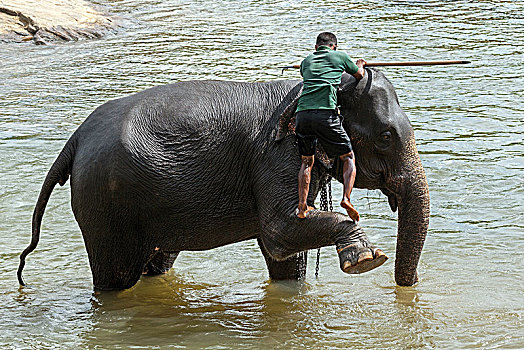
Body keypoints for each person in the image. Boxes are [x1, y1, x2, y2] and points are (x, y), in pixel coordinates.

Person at [295, 32, 366, 221]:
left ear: (316, 47)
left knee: (306, 162)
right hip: (325, 113)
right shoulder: (340, 56)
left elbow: (306, 73)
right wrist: (360, 64)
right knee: (348, 156)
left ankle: (302, 207)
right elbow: (359, 75)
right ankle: (346, 198)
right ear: (333, 46)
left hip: (302, 115)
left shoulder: (307, 61)